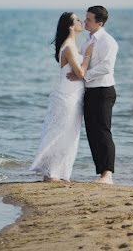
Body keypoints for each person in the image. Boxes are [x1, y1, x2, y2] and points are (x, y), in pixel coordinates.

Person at [29, 12, 92, 182]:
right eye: (77, 20)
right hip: (66, 97)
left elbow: (79, 74)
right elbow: (79, 72)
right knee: (60, 133)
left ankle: (58, 172)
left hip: (73, 96)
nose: (81, 22)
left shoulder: (72, 45)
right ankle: (50, 173)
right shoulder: (69, 47)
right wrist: (87, 57)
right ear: (71, 26)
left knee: (69, 134)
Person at [67, 5, 119, 184]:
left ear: (100, 22)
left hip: (104, 91)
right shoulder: (87, 40)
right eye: (85, 18)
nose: (85, 21)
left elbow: (106, 68)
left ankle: (108, 175)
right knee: (92, 133)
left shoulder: (108, 41)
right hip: (89, 91)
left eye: (89, 19)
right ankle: (101, 173)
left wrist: (83, 76)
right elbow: (82, 61)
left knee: (103, 132)